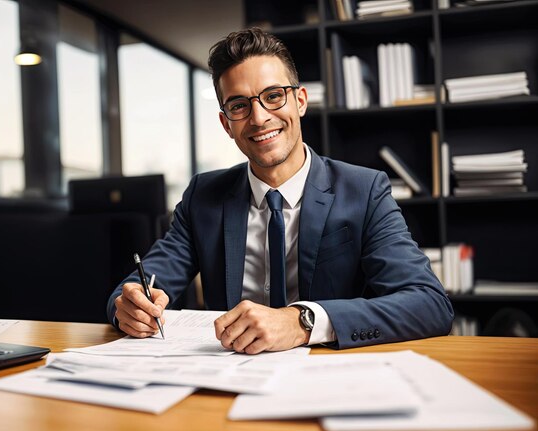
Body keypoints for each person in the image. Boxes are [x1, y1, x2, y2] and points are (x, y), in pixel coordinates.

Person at [107, 28, 453, 354]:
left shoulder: (364, 191)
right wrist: (129, 305)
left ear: (300, 101)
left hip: (330, 375)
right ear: (226, 123)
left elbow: (428, 303)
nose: (259, 118)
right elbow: (136, 288)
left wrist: (303, 322)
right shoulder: (203, 195)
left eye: (273, 96)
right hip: (224, 376)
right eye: (240, 105)